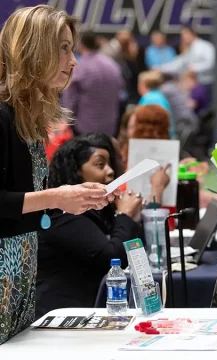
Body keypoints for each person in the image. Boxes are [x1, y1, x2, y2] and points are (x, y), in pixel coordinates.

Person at [0, 5, 118, 345]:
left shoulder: (29, 119)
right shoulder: (2, 115)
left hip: (21, 269)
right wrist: (58, 196)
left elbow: (25, 201)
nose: (74, 61)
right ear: (34, 51)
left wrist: (72, 201)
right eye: (64, 49)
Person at [36, 134, 143, 318]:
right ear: (77, 172)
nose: (110, 171)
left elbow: (133, 248)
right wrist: (125, 215)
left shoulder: (97, 212)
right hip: (60, 315)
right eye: (100, 164)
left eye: (110, 164)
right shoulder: (63, 215)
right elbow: (112, 260)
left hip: (86, 308)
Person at [61, 30, 124, 137]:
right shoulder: (112, 65)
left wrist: (65, 120)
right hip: (109, 127)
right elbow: (120, 93)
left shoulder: (80, 68)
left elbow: (70, 101)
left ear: (80, 44)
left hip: (85, 128)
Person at [157, 27, 215, 98]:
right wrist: (161, 68)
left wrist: (194, 68)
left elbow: (212, 63)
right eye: (182, 35)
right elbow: (178, 64)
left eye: (185, 34)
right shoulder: (190, 49)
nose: (183, 37)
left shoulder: (206, 46)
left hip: (207, 83)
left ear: (193, 34)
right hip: (195, 85)